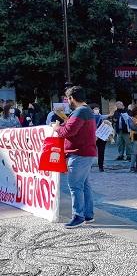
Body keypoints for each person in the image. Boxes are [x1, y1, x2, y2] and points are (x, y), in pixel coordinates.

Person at [52, 86, 97, 228]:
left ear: (72, 98)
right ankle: (88, 215)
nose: (67, 101)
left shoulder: (80, 111)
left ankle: (78, 216)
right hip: (86, 152)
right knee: (84, 185)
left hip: (79, 153)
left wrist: (57, 128)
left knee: (75, 186)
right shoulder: (86, 110)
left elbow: (68, 131)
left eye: (67, 99)